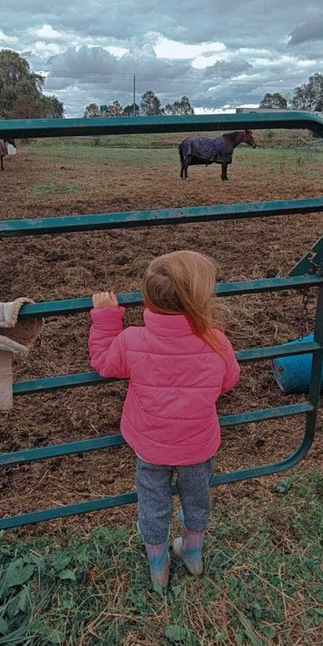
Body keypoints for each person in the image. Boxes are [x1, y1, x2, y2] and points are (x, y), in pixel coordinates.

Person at [88, 250, 240, 589]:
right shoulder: (216, 342)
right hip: (198, 444)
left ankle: (159, 567)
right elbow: (229, 381)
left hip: (150, 445)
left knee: (153, 503)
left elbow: (103, 362)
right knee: (197, 497)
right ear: (201, 298)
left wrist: (107, 318)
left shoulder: (132, 340)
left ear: (147, 297)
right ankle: (192, 553)